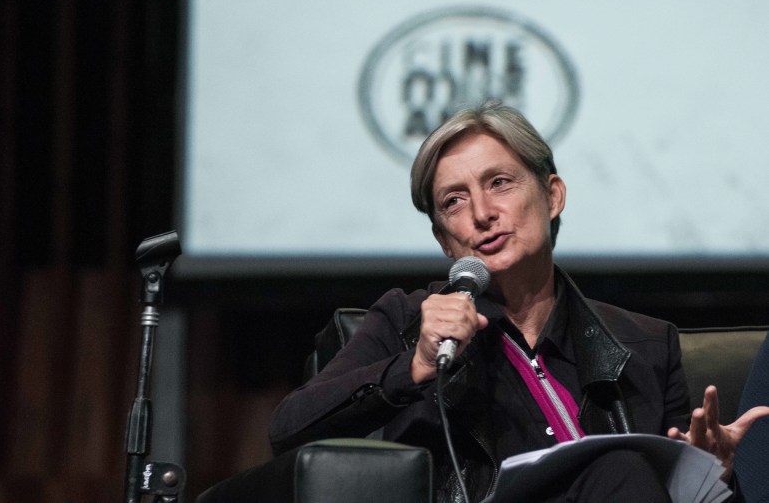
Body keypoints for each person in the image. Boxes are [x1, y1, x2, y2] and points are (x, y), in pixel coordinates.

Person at [267, 102, 769, 502]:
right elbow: (290, 429)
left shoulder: (643, 345)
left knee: (623, 472)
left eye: (499, 183)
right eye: (454, 202)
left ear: (552, 196)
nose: (482, 213)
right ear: (446, 241)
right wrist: (414, 365)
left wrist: (715, 477)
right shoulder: (405, 321)